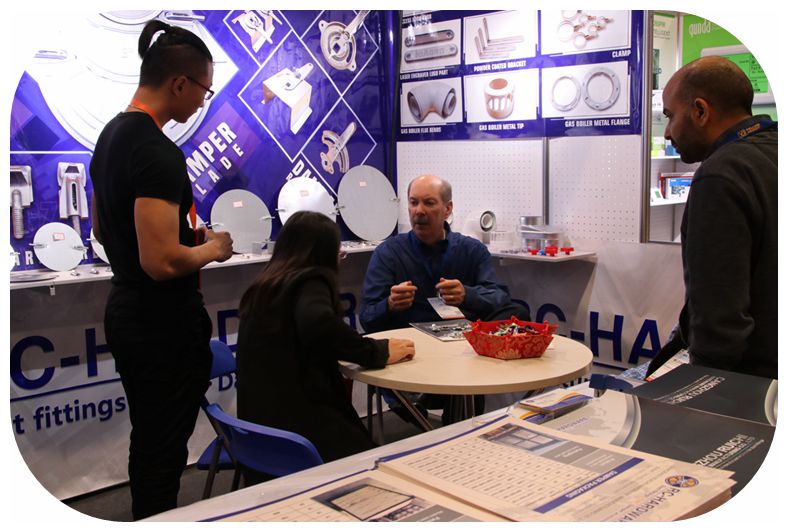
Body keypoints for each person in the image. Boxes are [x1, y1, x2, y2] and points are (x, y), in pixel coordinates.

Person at [90, 20, 233, 519]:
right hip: (160, 323)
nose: (202, 102)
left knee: (150, 440)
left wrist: (181, 238)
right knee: (163, 450)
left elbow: (105, 230)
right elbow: (161, 261)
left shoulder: (110, 136)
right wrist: (213, 249)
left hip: (131, 313)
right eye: (203, 91)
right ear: (179, 84)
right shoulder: (156, 151)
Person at [235, 211, 415, 479]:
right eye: (337, 251)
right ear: (322, 254)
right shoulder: (310, 280)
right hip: (301, 440)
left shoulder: (267, 284)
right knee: (393, 467)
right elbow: (317, 322)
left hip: (259, 440)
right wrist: (377, 351)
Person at [647, 56, 777, 379]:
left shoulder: (721, 176)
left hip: (749, 388)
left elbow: (719, 323)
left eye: (670, 116)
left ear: (700, 111)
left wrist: (702, 391)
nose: (667, 133)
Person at [360, 175, 527, 423]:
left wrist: (467, 295)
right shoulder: (389, 253)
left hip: (463, 350)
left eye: (429, 203)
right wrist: (390, 305)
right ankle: (420, 403)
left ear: (448, 209)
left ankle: (457, 428)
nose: (419, 211)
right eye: (413, 202)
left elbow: (500, 298)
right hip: (412, 351)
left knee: (517, 313)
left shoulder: (471, 250)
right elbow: (367, 317)